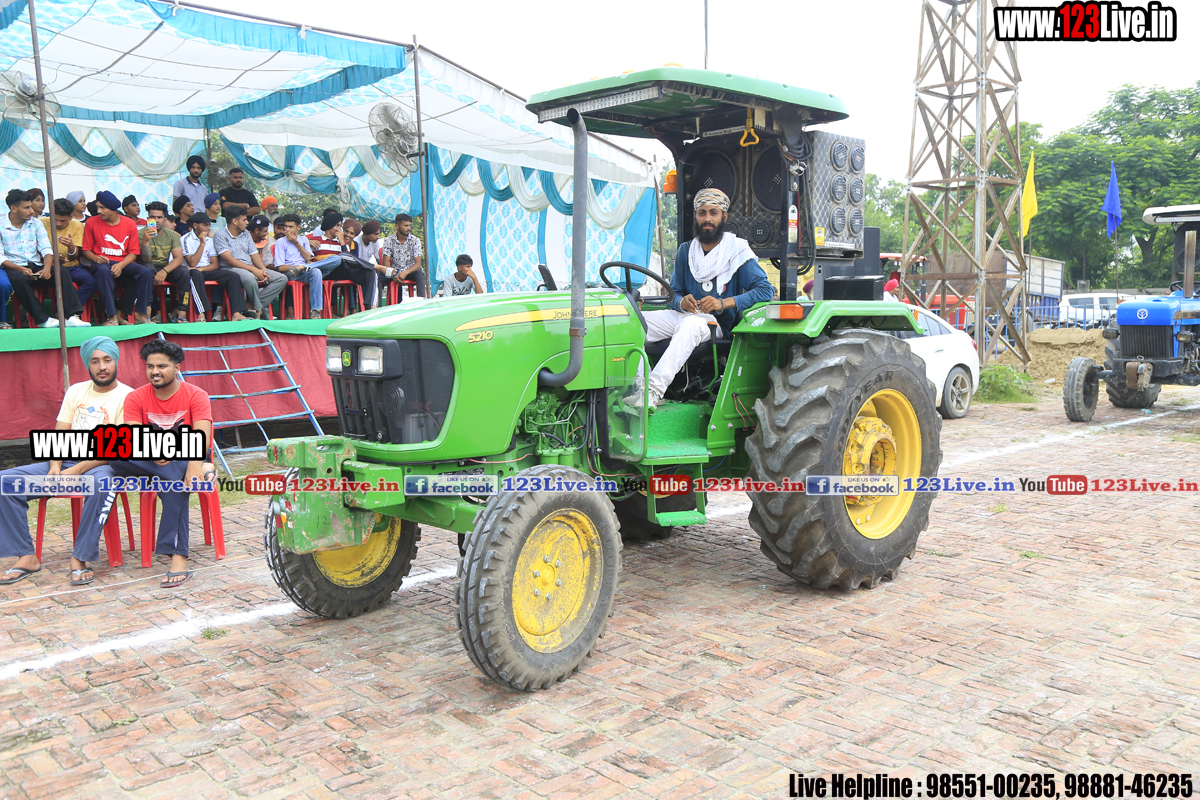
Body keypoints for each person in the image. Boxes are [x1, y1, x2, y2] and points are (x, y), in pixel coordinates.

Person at [75, 339, 215, 589]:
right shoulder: (136, 397)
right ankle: (187, 473)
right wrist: (155, 451)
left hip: (186, 454)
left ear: (177, 367)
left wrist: (193, 463)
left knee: (174, 483)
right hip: (148, 457)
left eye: (162, 366)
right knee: (119, 450)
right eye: (150, 366)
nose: (155, 372)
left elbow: (201, 437)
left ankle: (178, 558)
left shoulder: (196, 395)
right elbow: (133, 437)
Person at [0, 336, 134, 586]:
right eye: (95, 361)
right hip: (68, 461)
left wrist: (78, 469)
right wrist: (55, 467)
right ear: (87, 364)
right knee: (5, 481)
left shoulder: (129, 396)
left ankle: (80, 558)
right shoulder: (76, 391)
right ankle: (26, 556)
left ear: (115, 362)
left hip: (104, 465)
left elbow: (118, 448)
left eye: (107, 360)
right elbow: (59, 435)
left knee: (102, 484)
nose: (102, 366)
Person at [630, 187, 773, 409]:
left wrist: (722, 303)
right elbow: (673, 294)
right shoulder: (686, 250)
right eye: (702, 213)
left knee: (691, 324)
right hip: (684, 315)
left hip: (715, 323)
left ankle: (653, 392)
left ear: (724, 216)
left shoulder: (736, 250)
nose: (707, 219)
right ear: (696, 216)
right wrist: (681, 302)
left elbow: (765, 290)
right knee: (633, 321)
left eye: (713, 213)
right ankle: (639, 387)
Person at [1, 189, 89, 329]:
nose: (31, 211)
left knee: (61, 271)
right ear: (14, 208)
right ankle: (42, 319)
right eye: (26, 208)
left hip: (35, 265)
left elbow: (46, 249)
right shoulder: (1, 224)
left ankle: (70, 316)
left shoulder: (36, 223)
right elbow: (0, 257)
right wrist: (21, 269)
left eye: (31, 207)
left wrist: (47, 268)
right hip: (13, 267)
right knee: (18, 279)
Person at [81, 191, 154, 325]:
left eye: (102, 208)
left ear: (113, 209)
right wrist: (96, 258)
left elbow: (133, 252)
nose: (99, 211)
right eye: (98, 207)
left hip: (123, 262)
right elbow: (86, 249)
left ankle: (140, 314)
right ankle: (112, 316)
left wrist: (121, 266)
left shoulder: (129, 223)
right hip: (102, 262)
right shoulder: (91, 222)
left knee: (145, 272)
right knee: (103, 270)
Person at [214, 207, 286, 317]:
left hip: (249, 267)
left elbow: (254, 254)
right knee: (250, 278)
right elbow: (228, 259)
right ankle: (258, 310)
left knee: (281, 279)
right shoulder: (220, 235)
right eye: (244, 220)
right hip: (231, 268)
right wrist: (253, 269)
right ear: (235, 221)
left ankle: (252, 306)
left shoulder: (246, 234)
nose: (247, 223)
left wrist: (263, 269)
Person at [181, 212, 248, 321]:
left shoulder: (210, 240)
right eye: (205, 225)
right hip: (190, 271)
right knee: (196, 274)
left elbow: (215, 265)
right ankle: (201, 315)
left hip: (205, 269)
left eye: (209, 225)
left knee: (233, 276)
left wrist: (202, 269)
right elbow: (192, 263)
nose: (208, 228)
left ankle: (237, 313)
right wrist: (202, 244)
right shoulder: (186, 239)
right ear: (195, 225)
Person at [139, 201, 197, 323]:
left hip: (164, 267)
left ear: (165, 219)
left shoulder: (172, 235)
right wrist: (145, 241)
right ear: (148, 219)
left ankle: (182, 313)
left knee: (184, 272)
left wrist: (165, 271)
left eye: (159, 217)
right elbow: (145, 259)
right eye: (152, 217)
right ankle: (146, 314)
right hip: (147, 266)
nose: (156, 220)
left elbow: (178, 258)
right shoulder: (140, 234)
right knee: (148, 269)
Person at [307, 213, 377, 312]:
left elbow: (348, 258)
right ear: (330, 225)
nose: (340, 229)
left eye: (340, 226)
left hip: (341, 271)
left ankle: (371, 307)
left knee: (370, 272)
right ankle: (375, 266)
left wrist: (342, 242)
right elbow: (307, 257)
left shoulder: (342, 242)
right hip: (325, 272)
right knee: (340, 258)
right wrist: (307, 242)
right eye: (338, 225)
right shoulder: (315, 240)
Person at [42, 198, 91, 317]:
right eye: (55, 219)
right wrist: (51, 258)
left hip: (71, 266)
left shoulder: (77, 226)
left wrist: (70, 247)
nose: (58, 223)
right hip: (48, 267)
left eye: (62, 221)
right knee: (61, 274)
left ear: (71, 217)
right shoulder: (41, 223)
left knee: (91, 282)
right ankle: (68, 313)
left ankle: (64, 312)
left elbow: (74, 256)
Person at [272, 213, 323, 319]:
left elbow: (309, 258)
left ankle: (315, 310)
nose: (287, 230)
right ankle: (292, 312)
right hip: (289, 271)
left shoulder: (303, 240)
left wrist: (296, 242)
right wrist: (296, 268)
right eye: (286, 227)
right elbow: (280, 267)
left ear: (298, 227)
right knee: (311, 270)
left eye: (291, 227)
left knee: (317, 272)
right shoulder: (280, 242)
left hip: (304, 270)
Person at [379, 213, 427, 297]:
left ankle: (421, 301)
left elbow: (418, 264)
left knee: (420, 274)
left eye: (409, 225)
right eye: (405, 225)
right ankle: (377, 304)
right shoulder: (388, 240)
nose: (408, 228)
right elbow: (386, 262)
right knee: (378, 278)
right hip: (394, 271)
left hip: (409, 272)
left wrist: (405, 273)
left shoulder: (415, 240)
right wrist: (393, 273)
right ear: (397, 226)